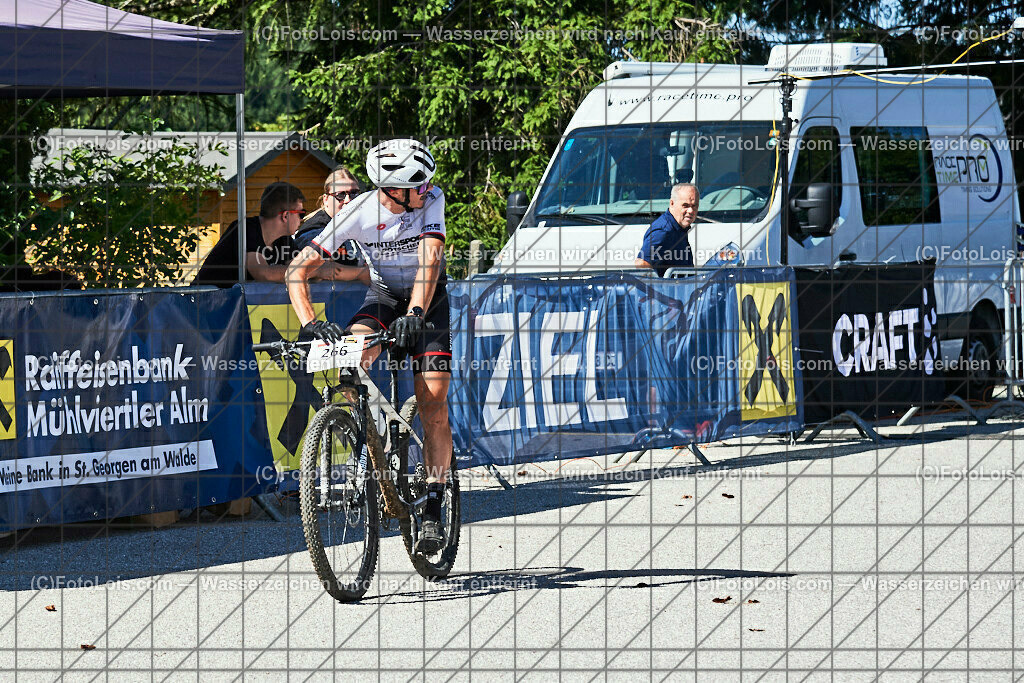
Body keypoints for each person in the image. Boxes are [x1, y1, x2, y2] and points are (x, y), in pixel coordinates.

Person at [286, 139, 452, 554]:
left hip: (428, 298)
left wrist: (415, 313)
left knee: (432, 399)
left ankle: (433, 499)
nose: (428, 188)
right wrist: (309, 323)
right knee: (352, 351)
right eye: (419, 184)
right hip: (382, 295)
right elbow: (296, 270)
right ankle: (365, 434)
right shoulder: (358, 213)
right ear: (394, 189)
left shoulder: (431, 199)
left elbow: (430, 260)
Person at [192, 182, 306, 287]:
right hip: (203, 304)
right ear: (285, 216)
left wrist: (313, 270)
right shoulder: (244, 229)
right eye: (301, 214)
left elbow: (302, 265)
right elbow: (264, 274)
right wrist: (309, 271)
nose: (302, 219)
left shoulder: (283, 239)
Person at [294, 166, 367, 280]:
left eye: (354, 193)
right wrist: (365, 273)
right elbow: (325, 271)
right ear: (326, 199)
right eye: (340, 195)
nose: (348, 200)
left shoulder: (363, 224)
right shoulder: (314, 232)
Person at [635, 183, 698, 276]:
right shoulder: (663, 231)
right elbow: (641, 263)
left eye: (694, 206)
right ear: (672, 203)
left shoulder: (678, 227)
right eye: (685, 205)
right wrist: (659, 287)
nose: (691, 211)